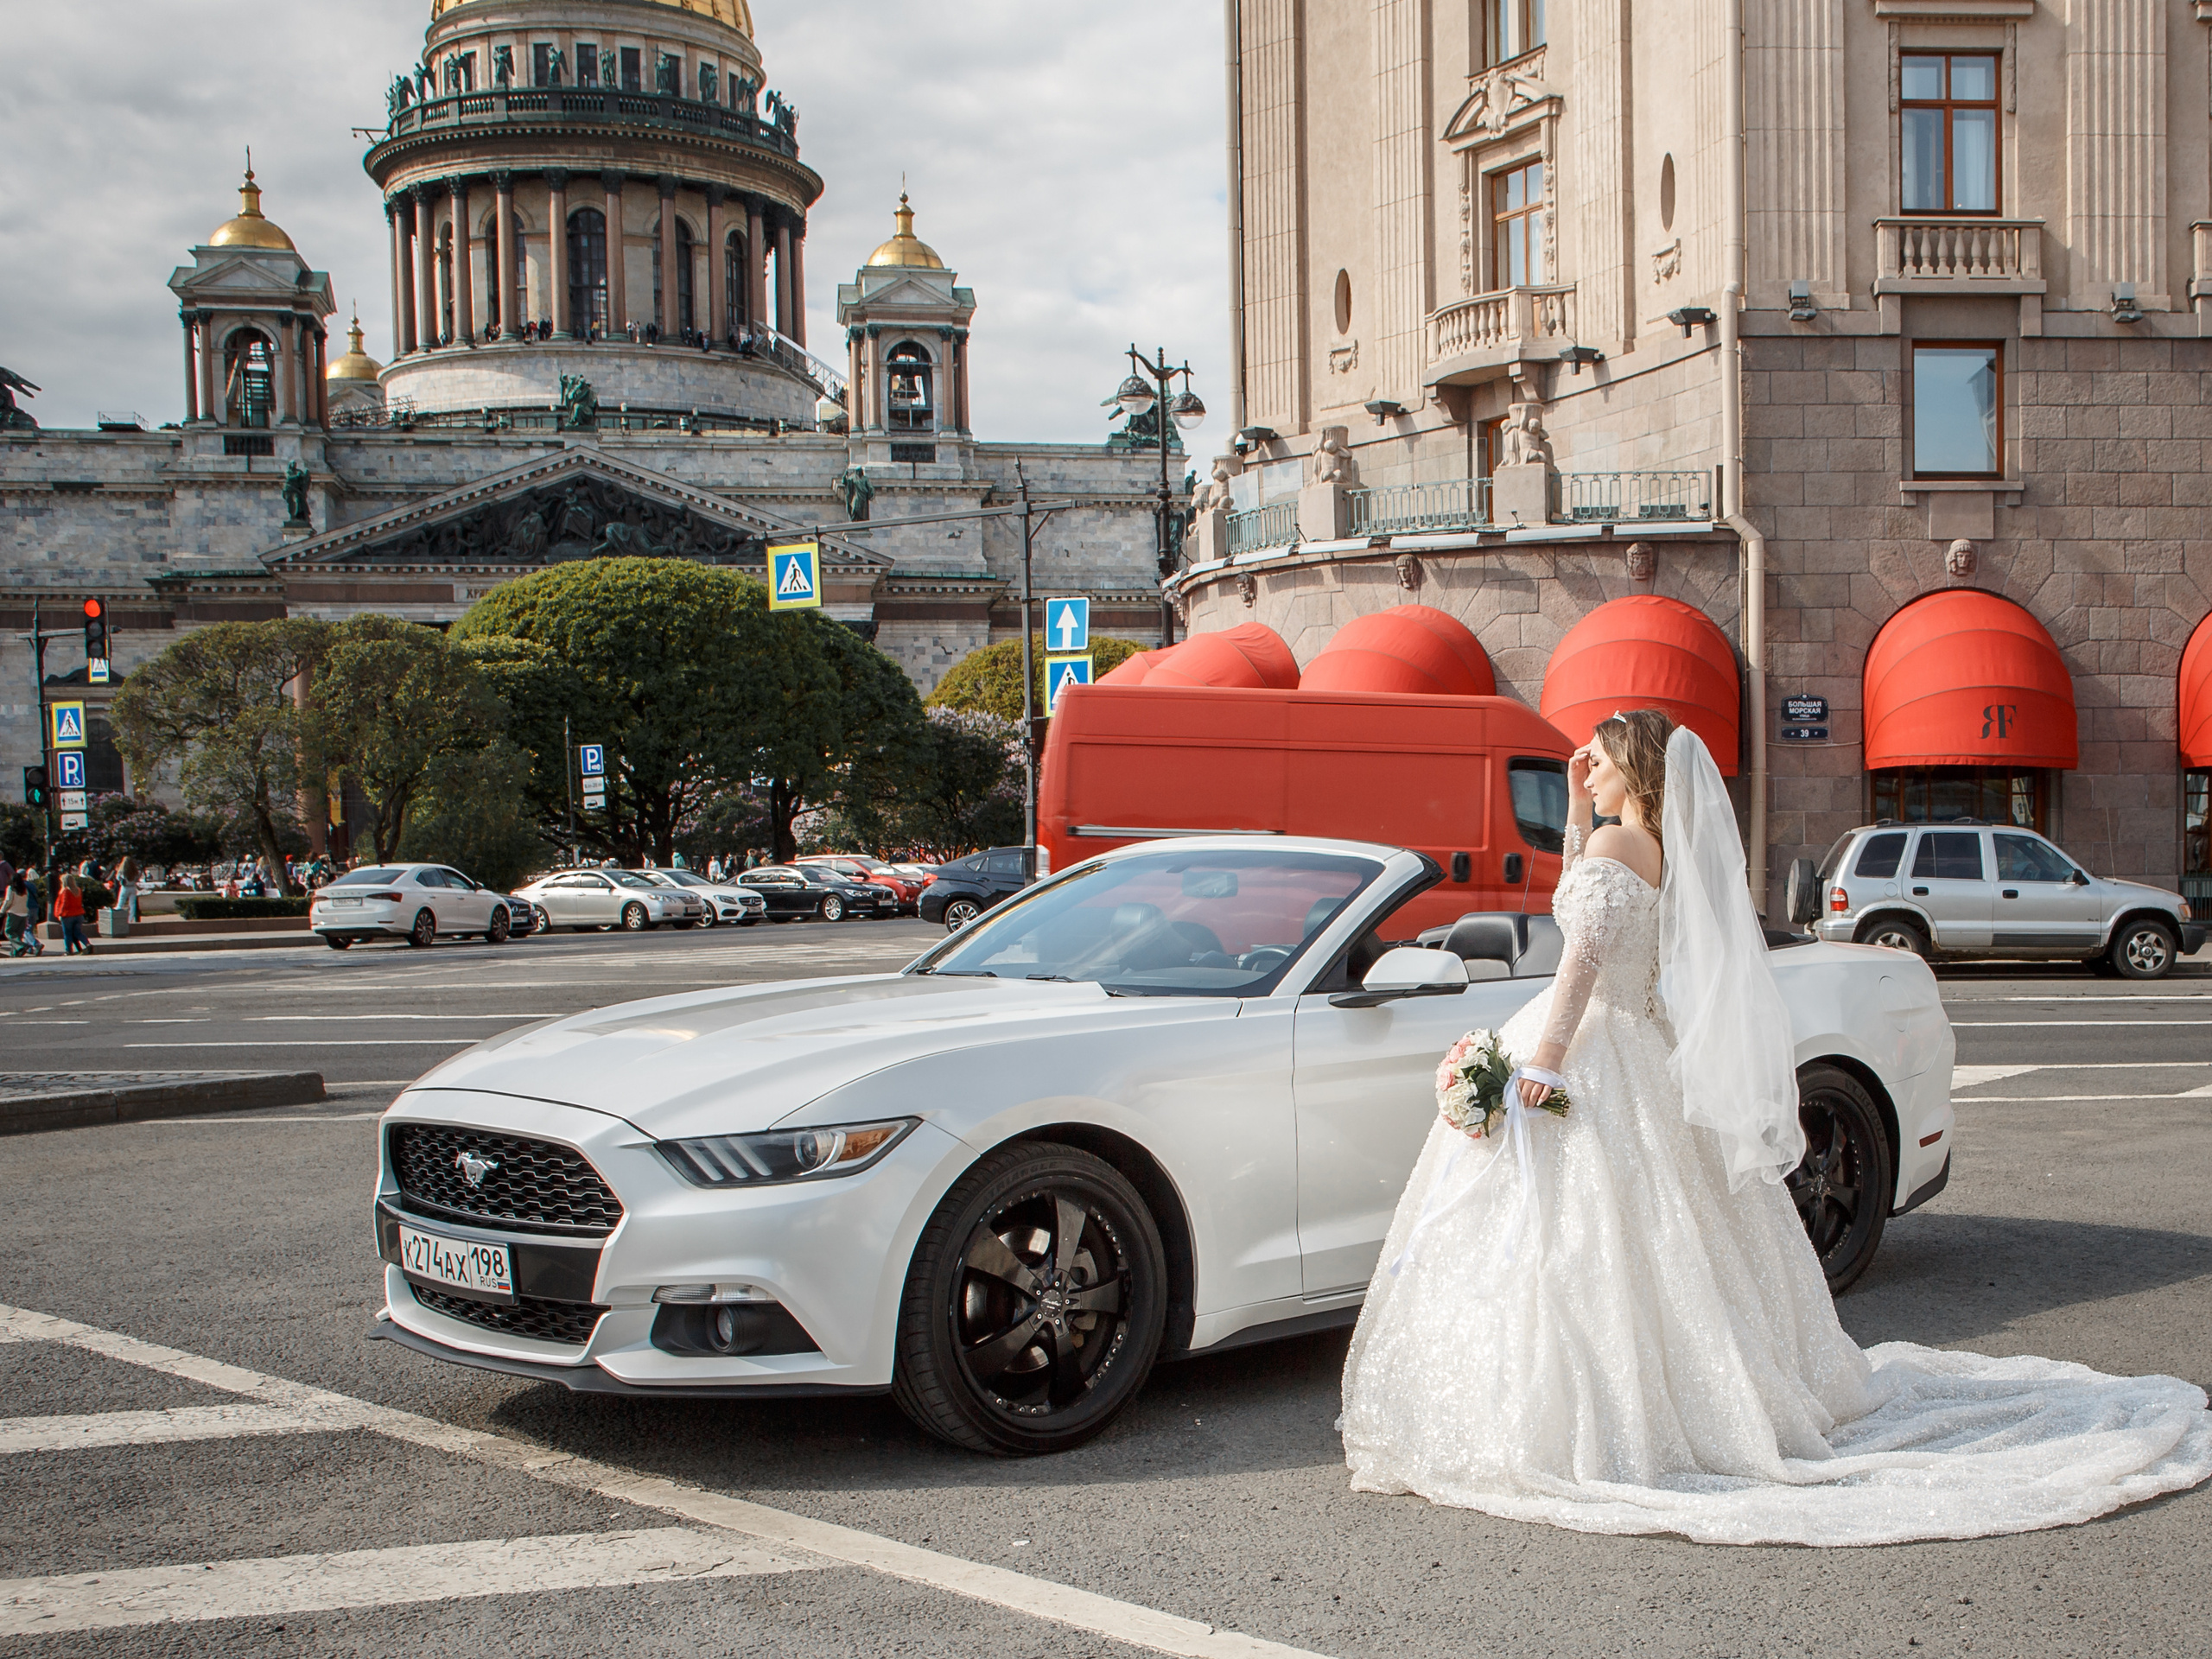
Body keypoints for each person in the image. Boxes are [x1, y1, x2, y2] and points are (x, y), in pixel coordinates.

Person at [1340, 709, 2212, 1547]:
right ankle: (1699, 1390)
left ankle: (1602, 1413)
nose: (1586, 770)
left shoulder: (1615, 846)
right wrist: (1574, 812)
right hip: (1643, 1041)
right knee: (1665, 1232)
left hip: (1593, 1044)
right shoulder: (1650, 849)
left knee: (1587, 1238)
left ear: (1635, 769)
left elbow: (1582, 955)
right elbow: (1594, 906)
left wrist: (1545, 1059)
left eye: (1598, 760)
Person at [54, 873, 89, 955]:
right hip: (79, 914)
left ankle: (68, 950)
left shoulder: (65, 891)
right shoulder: (78, 890)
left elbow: (64, 903)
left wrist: (60, 914)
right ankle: (87, 944)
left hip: (68, 915)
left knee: (67, 934)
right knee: (78, 933)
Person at [2, 872, 32, 957]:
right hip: (24, 913)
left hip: (13, 913)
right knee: (18, 935)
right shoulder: (25, 889)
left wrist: (2, 911)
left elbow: (8, 901)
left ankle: (22, 946)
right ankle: (15, 953)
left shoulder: (11, 888)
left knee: (9, 932)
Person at [112, 855, 139, 925]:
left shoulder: (122, 870)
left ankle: (117, 919)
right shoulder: (135, 870)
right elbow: (137, 878)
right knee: (132, 904)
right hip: (133, 887)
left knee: (120, 903)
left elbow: (118, 878)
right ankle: (130, 919)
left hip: (125, 887)